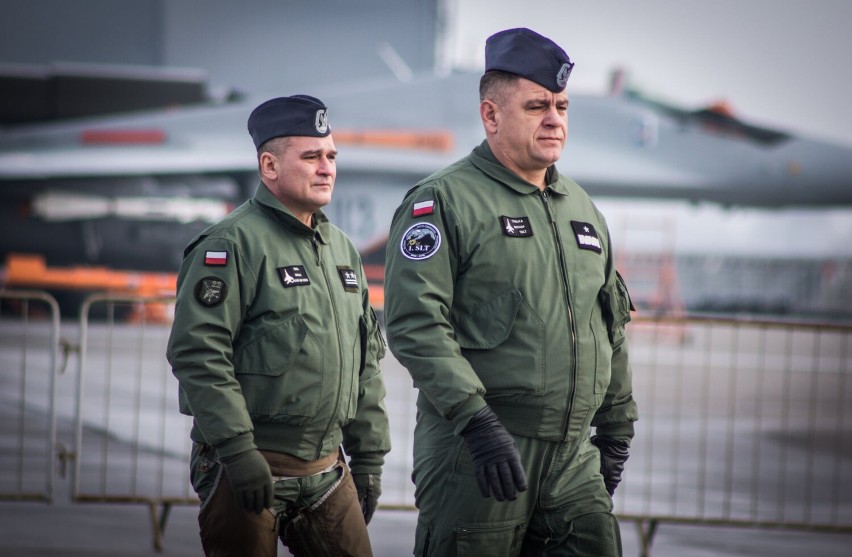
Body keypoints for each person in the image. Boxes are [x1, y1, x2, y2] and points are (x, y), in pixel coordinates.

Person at [383, 28, 637, 556]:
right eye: (537, 105)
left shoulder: (582, 210)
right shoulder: (444, 202)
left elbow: (608, 323)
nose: (554, 119)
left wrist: (617, 425)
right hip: (478, 451)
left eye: (562, 106)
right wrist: (477, 424)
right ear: (491, 116)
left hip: (571, 458)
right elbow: (414, 324)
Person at [166, 94, 391, 557]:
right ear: (269, 166)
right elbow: (198, 352)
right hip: (248, 467)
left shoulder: (342, 251)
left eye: (331, 156)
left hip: (327, 471)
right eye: (311, 157)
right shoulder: (231, 245)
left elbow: (365, 359)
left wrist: (369, 455)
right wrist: (236, 450)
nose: (326, 168)